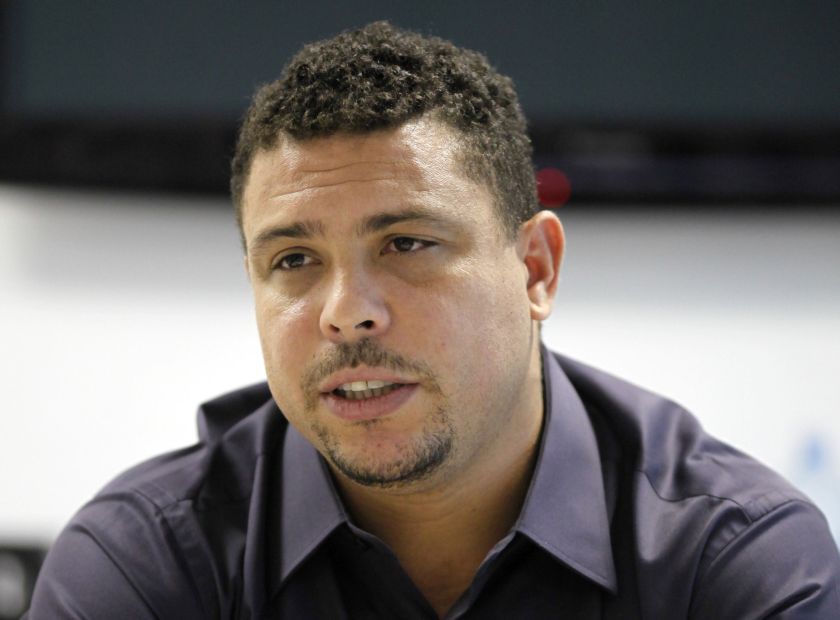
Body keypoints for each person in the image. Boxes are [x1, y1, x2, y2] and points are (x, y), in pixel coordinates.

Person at [26, 21, 840, 619]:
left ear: (535, 269)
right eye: (293, 261)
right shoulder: (143, 567)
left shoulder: (734, 561)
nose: (347, 314)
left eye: (407, 243)